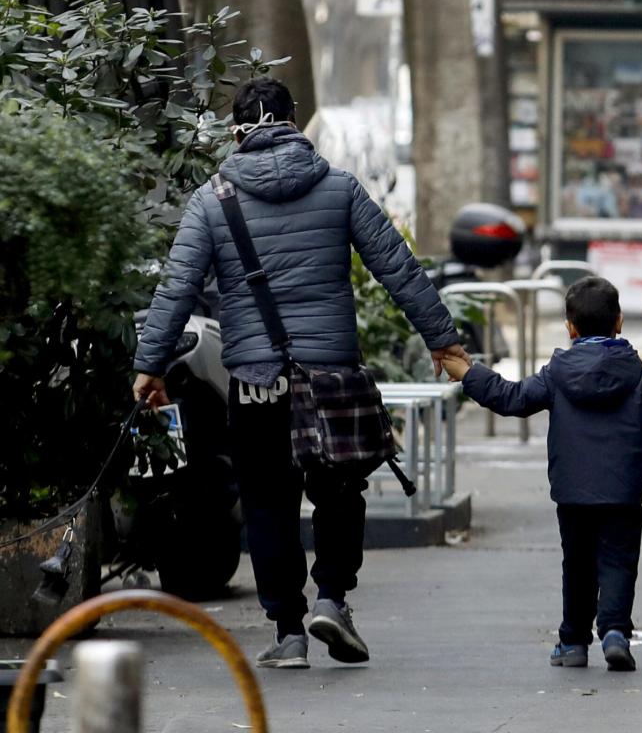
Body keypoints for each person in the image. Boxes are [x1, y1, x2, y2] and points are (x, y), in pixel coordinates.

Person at [132, 77, 469, 669]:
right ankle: (333, 599)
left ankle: (288, 630)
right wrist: (442, 341)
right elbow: (398, 266)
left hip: (256, 381)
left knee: (266, 501)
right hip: (330, 374)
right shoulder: (338, 188)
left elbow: (176, 288)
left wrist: (150, 364)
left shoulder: (212, 200)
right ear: (294, 120)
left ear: (237, 130)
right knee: (339, 490)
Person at [440, 277, 642, 671]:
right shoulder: (641, 377)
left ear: (570, 327)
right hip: (623, 494)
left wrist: (469, 374)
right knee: (618, 562)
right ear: (619, 322)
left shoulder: (556, 375)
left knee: (577, 564)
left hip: (572, 492)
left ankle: (572, 642)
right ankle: (615, 632)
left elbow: (511, 399)